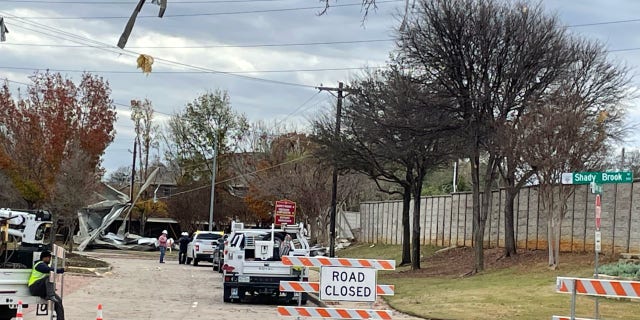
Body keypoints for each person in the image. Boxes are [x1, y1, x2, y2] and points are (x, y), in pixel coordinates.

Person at [28, 250, 65, 320]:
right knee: (49, 277)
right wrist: (60, 270)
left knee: (59, 301)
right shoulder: (40, 264)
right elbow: (48, 269)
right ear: (44, 258)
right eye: (49, 258)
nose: (50, 259)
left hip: (42, 289)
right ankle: (50, 295)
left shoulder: (45, 265)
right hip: (34, 287)